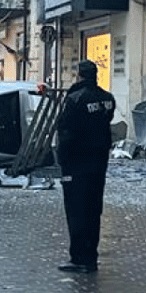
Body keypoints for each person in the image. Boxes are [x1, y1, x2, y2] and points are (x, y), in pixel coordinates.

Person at [53, 60, 116, 273]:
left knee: (77, 211)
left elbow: (65, 131)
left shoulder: (75, 99)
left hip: (76, 164)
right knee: (93, 210)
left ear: (79, 75)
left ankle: (79, 258)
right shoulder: (108, 98)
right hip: (99, 163)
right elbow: (106, 123)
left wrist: (62, 160)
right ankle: (91, 257)